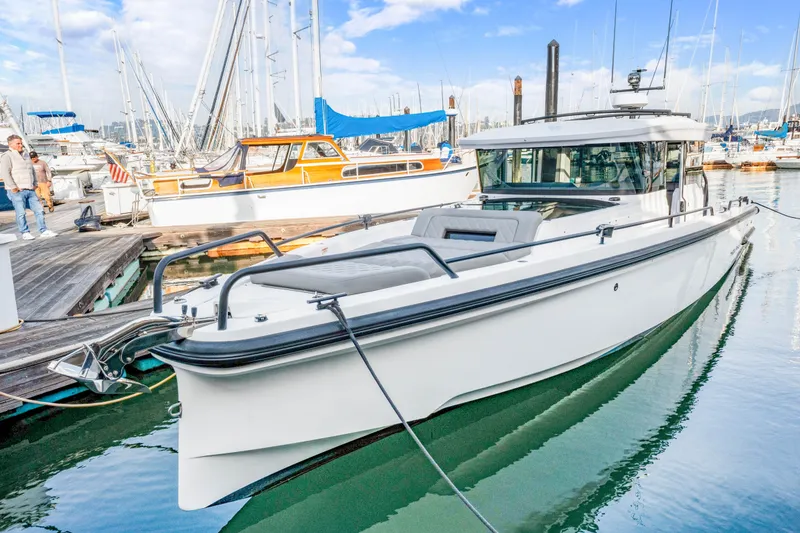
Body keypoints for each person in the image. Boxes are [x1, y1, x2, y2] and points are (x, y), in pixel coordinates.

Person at [0, 135, 57, 240]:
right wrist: (13, 187)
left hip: (30, 189)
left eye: (21, 143)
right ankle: (25, 232)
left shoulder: (26, 155)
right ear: (10, 144)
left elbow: (31, 171)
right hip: (17, 190)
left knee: (39, 210)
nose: (20, 145)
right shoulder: (6, 156)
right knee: (21, 212)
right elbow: (5, 173)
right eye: (18, 143)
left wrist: (35, 183)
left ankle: (43, 230)